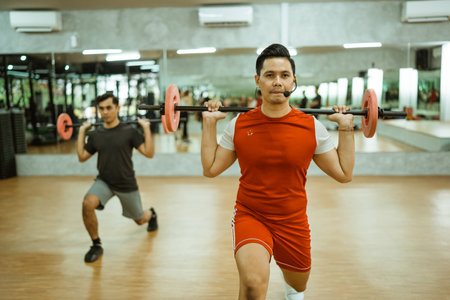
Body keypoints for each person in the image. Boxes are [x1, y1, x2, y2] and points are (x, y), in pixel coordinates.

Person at [201, 44, 355, 300]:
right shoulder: (240, 124)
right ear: (257, 80)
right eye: (270, 75)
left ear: (293, 81)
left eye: (284, 75)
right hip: (251, 214)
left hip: (292, 220)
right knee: (251, 283)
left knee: (299, 284)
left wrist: (347, 129)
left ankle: (292, 291)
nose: (277, 82)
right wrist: (209, 124)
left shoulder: (311, 126)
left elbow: (343, 173)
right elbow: (210, 168)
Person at [77, 92, 158, 263]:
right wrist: (81, 132)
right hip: (104, 181)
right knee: (87, 204)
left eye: (109, 108)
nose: (105, 112)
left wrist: (146, 128)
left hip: (126, 183)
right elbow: (82, 156)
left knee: (139, 219)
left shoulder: (129, 131)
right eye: (101, 108)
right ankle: (96, 244)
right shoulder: (97, 134)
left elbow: (149, 153)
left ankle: (151, 214)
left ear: (117, 108)